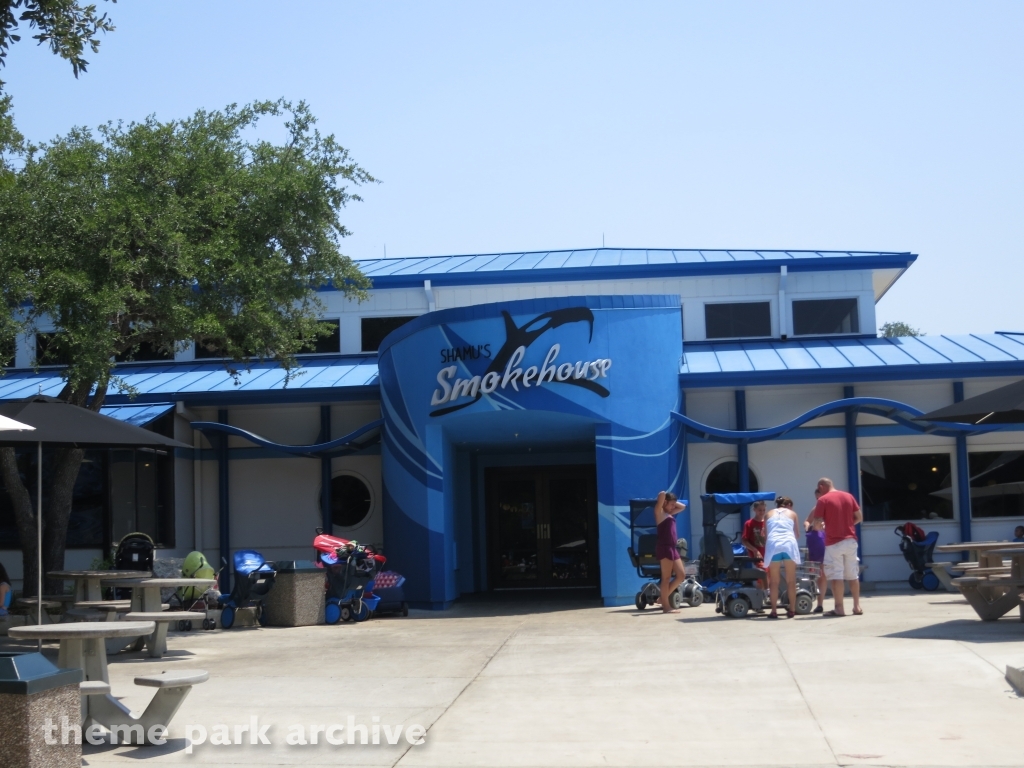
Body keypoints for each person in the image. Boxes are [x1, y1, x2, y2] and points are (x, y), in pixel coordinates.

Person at [808, 477, 863, 617]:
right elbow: (859, 517)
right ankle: (857, 606)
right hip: (850, 541)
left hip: (834, 543)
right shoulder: (848, 496)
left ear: (821, 486)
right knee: (853, 575)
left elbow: (817, 524)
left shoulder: (823, 500)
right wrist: (847, 525)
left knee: (836, 575)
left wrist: (824, 527)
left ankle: (839, 608)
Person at [763, 497, 802, 618]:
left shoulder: (768, 514)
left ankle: (774, 611)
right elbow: (797, 534)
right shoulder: (792, 514)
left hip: (773, 545)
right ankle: (792, 610)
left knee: (774, 581)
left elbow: (765, 535)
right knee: (791, 580)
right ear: (788, 505)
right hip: (789, 545)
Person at [653, 490, 687, 614]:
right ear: (665, 503)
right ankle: (666, 607)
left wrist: (672, 501)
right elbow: (661, 495)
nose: (673, 507)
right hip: (664, 547)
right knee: (666, 578)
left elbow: (683, 507)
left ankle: (663, 597)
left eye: (674, 504)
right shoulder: (660, 512)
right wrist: (665, 498)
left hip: (673, 548)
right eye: (671, 504)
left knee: (681, 575)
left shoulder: (669, 513)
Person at [804, 488, 828, 613]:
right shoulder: (816, 508)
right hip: (817, 540)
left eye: (820, 498)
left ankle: (833, 603)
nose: (819, 500)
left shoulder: (831, 508)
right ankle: (820, 604)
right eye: (817, 498)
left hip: (828, 539)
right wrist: (809, 528)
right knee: (820, 574)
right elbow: (807, 521)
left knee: (827, 574)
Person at [741, 500, 767, 568]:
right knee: (763, 570)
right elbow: (744, 540)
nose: (762, 512)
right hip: (758, 555)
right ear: (754, 510)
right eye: (760, 510)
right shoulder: (749, 523)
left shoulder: (767, 523)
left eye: (764, 510)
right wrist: (755, 550)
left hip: (769, 554)